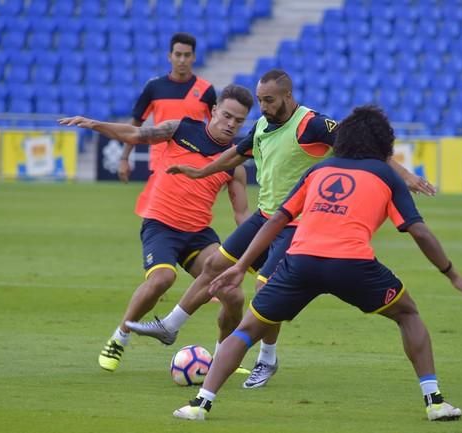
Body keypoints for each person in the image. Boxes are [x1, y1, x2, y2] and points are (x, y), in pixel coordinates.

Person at [126, 69, 437, 388]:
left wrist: (406, 176)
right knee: (215, 266)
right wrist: (199, 171)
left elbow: (366, 144)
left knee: (265, 289)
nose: (263, 106)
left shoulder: (312, 123)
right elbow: (234, 154)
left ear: (288, 96)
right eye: (260, 99)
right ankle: (171, 326)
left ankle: (267, 359)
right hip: (266, 217)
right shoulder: (262, 125)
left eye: (269, 100)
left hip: (298, 223)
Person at [171, 105, 462, 423]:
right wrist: (452, 275)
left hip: (300, 263)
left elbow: (277, 219)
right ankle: (434, 401)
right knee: (407, 313)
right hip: (353, 266)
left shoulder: (318, 171)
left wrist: (241, 266)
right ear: (383, 142)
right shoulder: (386, 174)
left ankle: (200, 404)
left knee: (248, 329)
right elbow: (418, 230)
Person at [58, 84, 255, 371]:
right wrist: (95, 124)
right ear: (213, 111)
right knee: (162, 278)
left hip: (198, 234)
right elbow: (137, 135)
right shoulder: (180, 129)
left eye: (238, 121)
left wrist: (259, 249)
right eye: (227, 116)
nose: (231, 124)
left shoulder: (235, 161)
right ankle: (120, 337)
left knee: (233, 295)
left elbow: (242, 214)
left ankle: (224, 357)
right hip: (161, 225)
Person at [118, 32, 216, 182]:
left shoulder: (206, 90)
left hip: (193, 165)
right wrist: (124, 157)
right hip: (160, 163)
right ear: (169, 56)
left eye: (187, 55)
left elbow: (216, 128)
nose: (182, 60)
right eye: (178, 54)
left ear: (194, 57)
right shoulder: (154, 87)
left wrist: (220, 165)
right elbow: (136, 123)